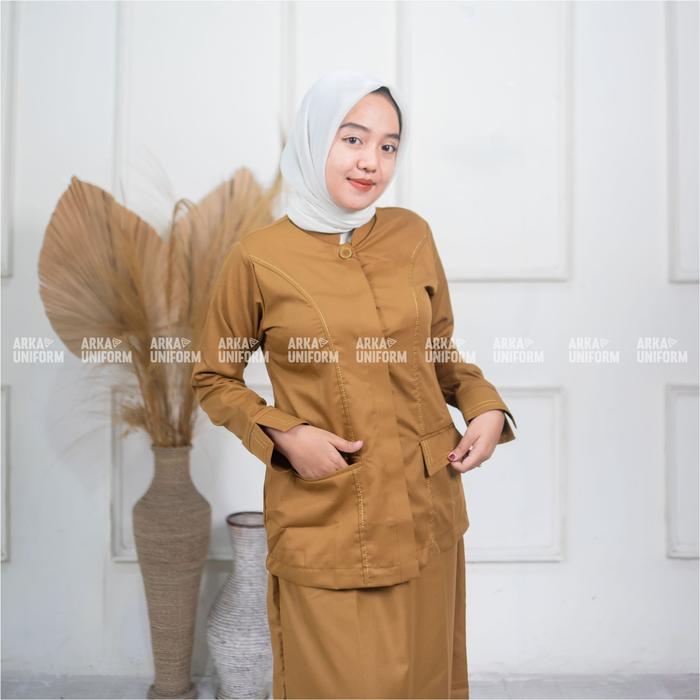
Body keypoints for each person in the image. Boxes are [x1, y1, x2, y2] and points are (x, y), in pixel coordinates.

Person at [191, 69, 517, 699]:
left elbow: (438, 351)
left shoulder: (411, 234)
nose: (372, 161)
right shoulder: (258, 257)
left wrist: (484, 408)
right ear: (315, 139)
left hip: (426, 509)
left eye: (388, 145)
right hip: (331, 516)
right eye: (353, 139)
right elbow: (213, 376)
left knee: (427, 683)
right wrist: (286, 436)